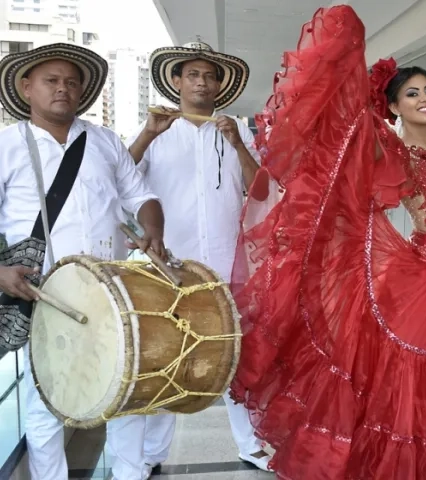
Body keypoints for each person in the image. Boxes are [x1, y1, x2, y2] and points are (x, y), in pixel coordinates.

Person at [227, 5, 426, 479]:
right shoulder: (393, 149)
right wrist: (347, 61)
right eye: (412, 93)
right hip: (420, 279)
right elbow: (345, 143)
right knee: (413, 376)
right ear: (393, 106)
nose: (425, 98)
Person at [0, 43, 167, 480]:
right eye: (51, 81)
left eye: (71, 82)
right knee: (47, 403)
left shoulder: (105, 140)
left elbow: (141, 196)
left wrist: (153, 229)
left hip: (114, 290)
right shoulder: (7, 144)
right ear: (26, 87)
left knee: (128, 395)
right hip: (44, 295)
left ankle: (132, 475)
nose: (62, 89)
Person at [126, 40, 271, 471]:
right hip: (170, 265)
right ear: (177, 81)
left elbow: (261, 189)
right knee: (169, 354)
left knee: (233, 351)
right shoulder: (157, 129)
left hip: (227, 260)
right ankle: (153, 453)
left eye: (209, 76)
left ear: (219, 85)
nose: (202, 82)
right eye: (193, 75)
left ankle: (251, 444)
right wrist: (149, 133)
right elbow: (120, 181)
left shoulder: (236, 130)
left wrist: (239, 144)